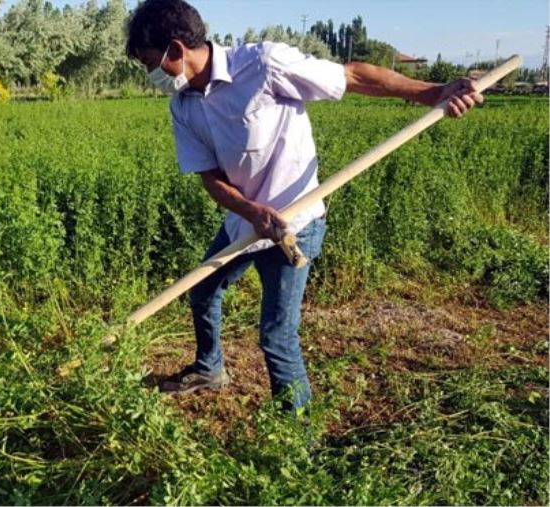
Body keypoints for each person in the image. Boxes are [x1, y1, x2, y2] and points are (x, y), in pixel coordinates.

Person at [125, 0, 482, 412]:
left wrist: (434, 93)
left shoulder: (263, 64)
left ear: (176, 49)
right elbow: (210, 177)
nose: (151, 75)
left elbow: (352, 77)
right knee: (203, 292)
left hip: (293, 224)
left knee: (276, 336)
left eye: (151, 62)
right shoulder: (183, 105)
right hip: (245, 223)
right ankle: (210, 368)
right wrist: (252, 213)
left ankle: (296, 439)